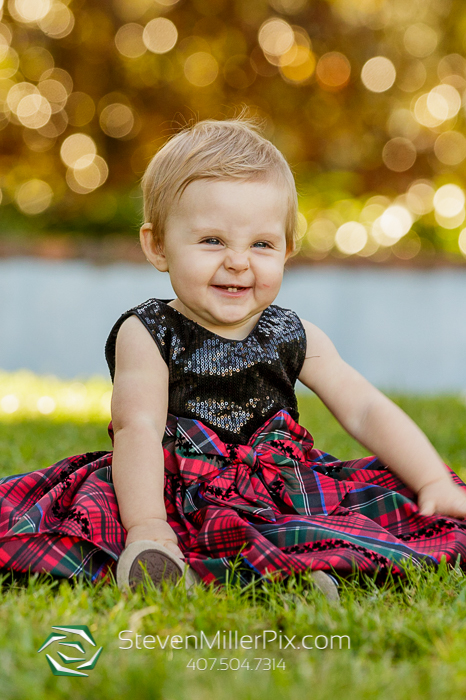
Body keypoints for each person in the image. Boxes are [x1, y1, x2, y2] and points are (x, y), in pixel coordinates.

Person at [1, 117, 466, 599]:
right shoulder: (149, 332)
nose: (239, 261)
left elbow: (364, 407)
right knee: (95, 519)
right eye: (212, 241)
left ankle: (306, 568)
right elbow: (136, 428)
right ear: (157, 245)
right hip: (173, 487)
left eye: (261, 244)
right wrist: (146, 523)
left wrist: (432, 480)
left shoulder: (292, 333)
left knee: (373, 508)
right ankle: (165, 558)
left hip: (278, 489)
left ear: (288, 250)